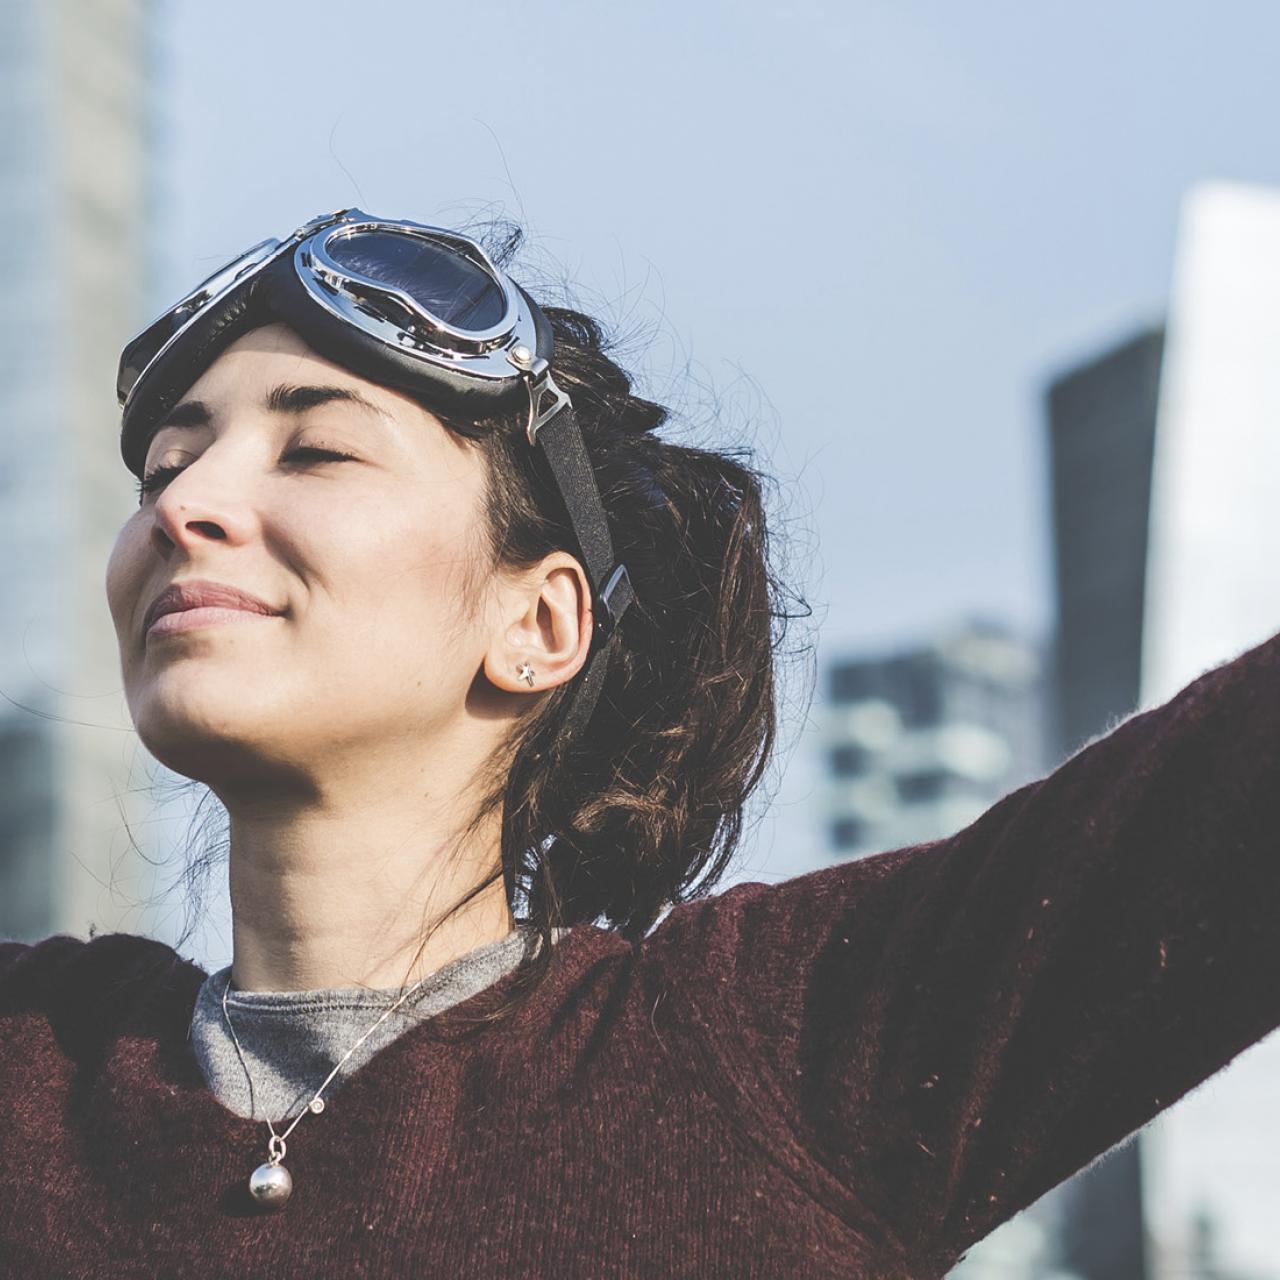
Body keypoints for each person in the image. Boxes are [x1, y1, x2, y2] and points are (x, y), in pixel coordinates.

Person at [0, 208, 1276, 1280]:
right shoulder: (34, 1061)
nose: (184, 504)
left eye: (316, 447)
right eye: (168, 464)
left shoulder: (761, 1057)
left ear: (538, 622)